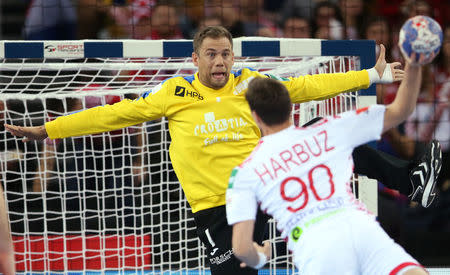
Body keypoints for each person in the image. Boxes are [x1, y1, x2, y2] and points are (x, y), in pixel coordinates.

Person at [1, 26, 436, 274]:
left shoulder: (250, 84)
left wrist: (367, 77)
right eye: (211, 54)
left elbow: (306, 86)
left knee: (323, 134)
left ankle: (411, 180)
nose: (220, 62)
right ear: (195, 59)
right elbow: (110, 116)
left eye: (226, 54)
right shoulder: (174, 93)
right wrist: (47, 129)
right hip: (217, 210)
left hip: (270, 192)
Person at [226, 52, 438, 274]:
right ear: (291, 107)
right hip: (361, 229)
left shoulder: (244, 171)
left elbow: (241, 248)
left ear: (255, 116)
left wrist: (261, 257)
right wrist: (414, 65)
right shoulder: (329, 129)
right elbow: (401, 109)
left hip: (318, 249)